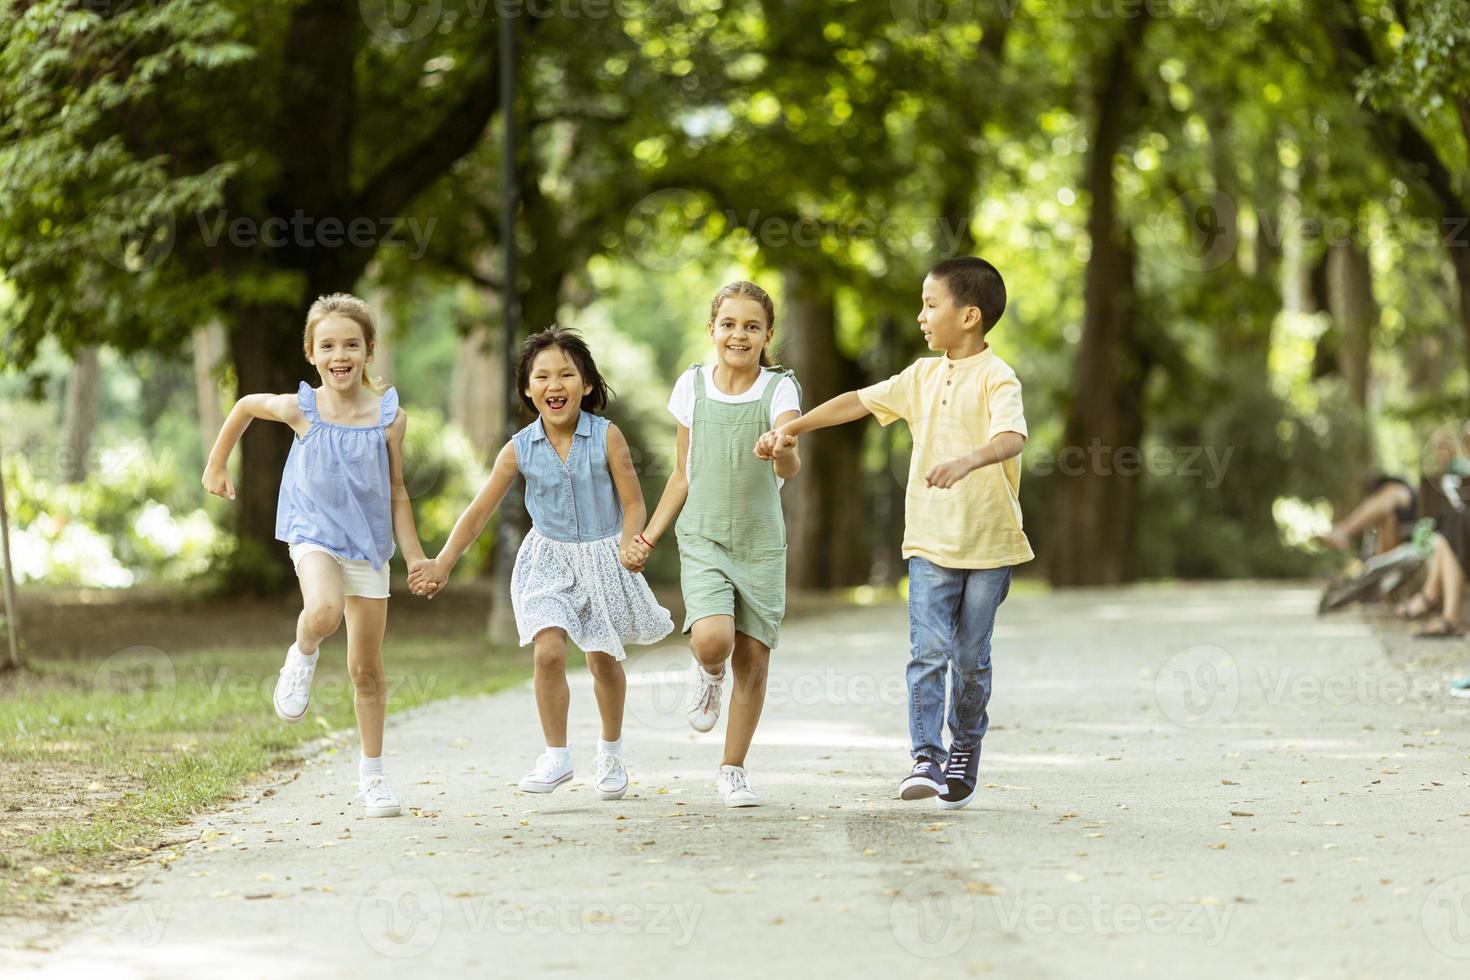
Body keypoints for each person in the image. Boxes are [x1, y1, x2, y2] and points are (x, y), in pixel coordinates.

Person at [755, 257, 1031, 811]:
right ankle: (926, 755)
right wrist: (792, 425)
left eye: (932, 305)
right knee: (928, 651)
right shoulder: (919, 377)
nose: (921, 316)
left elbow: (1012, 437)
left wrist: (968, 460)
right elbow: (858, 400)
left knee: (970, 657)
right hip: (929, 539)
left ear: (969, 316)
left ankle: (965, 746)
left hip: (990, 541)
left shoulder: (998, 377)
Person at [408, 327, 671, 800]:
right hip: (546, 560)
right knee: (547, 652)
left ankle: (610, 751)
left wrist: (633, 542)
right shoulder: (519, 448)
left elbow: (633, 503)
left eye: (567, 374)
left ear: (586, 384)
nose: (556, 384)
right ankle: (557, 756)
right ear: (528, 390)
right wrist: (443, 562)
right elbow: (478, 511)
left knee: (603, 663)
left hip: (603, 557)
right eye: (542, 376)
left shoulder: (608, 437)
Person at [202, 293, 428, 818]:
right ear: (311, 352)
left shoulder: (390, 418)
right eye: (327, 345)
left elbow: (396, 490)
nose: (339, 354)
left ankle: (373, 779)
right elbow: (243, 407)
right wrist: (216, 465)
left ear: (370, 350)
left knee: (366, 670)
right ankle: (301, 653)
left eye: (351, 344)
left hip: (369, 545)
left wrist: (415, 556)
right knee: (324, 611)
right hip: (313, 534)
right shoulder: (301, 408)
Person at [624, 281, 802, 808]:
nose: (739, 335)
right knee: (713, 640)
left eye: (752, 326)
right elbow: (683, 473)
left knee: (755, 657)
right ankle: (707, 673)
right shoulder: (692, 386)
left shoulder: (780, 390)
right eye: (729, 324)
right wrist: (648, 537)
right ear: (712, 330)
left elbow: (791, 462)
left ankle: (732, 770)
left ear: (767, 334)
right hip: (702, 536)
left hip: (761, 543)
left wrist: (782, 447)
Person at [1315, 475, 1417, 555]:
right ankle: (1342, 532)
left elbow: (1394, 497)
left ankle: (1343, 532)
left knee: (1391, 496)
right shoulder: (1386, 520)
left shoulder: (1398, 490)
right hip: (1396, 553)